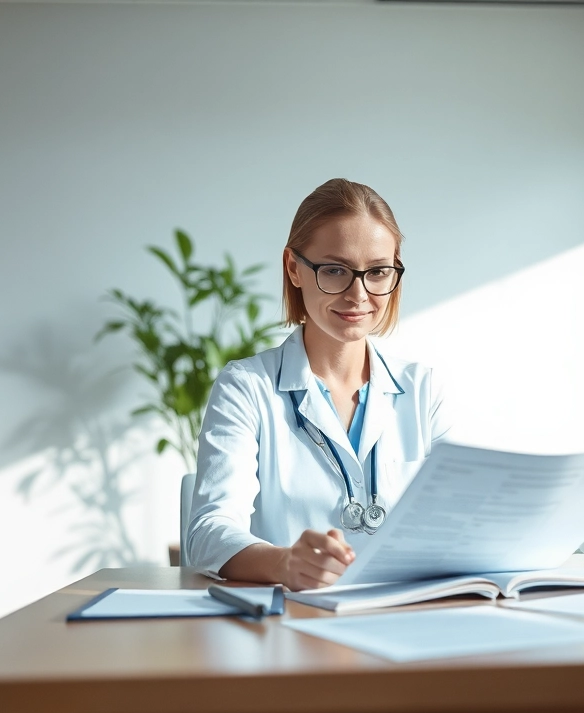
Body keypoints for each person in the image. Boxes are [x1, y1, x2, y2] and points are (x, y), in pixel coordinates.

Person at [183, 178, 452, 590]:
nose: (358, 294)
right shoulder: (247, 388)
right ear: (294, 268)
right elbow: (206, 533)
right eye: (334, 270)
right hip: (292, 626)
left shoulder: (422, 390)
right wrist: (284, 563)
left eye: (378, 271)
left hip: (404, 618)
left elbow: (459, 515)